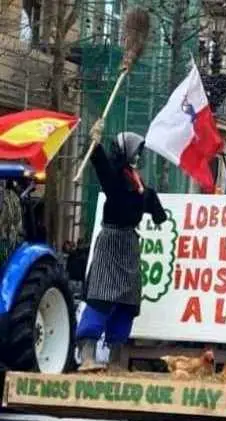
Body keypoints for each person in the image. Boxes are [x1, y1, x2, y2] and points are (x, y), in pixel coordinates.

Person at [76, 118, 168, 372]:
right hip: (112, 241)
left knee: (128, 302)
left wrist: (158, 213)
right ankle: (87, 355)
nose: (139, 155)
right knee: (101, 297)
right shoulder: (116, 175)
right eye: (136, 150)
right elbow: (101, 166)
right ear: (125, 150)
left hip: (129, 243)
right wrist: (94, 145)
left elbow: (148, 200)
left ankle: (116, 359)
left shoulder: (134, 179)